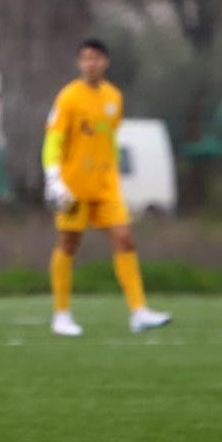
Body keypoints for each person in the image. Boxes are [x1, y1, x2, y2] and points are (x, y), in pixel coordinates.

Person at [43, 38, 172, 337]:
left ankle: (139, 312)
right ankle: (61, 315)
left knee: (125, 239)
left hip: (106, 186)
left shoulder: (114, 97)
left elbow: (109, 140)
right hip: (73, 186)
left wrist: (112, 172)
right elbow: (53, 140)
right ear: (79, 63)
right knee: (69, 243)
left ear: (106, 62)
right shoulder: (68, 98)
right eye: (86, 58)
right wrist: (54, 178)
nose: (91, 63)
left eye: (97, 58)